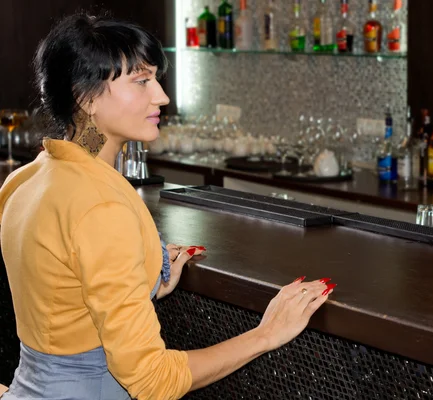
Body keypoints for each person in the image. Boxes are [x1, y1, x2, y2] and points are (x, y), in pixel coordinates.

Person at [0, 13, 335, 400]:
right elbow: (153, 381)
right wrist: (266, 334)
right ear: (86, 97)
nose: (161, 96)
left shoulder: (25, 181)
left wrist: (143, 283)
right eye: (141, 81)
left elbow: (59, 297)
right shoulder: (101, 206)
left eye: (155, 79)